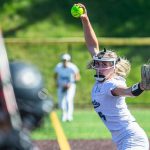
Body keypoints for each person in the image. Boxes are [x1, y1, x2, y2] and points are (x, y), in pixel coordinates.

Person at [76, 3, 149, 150]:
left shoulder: (111, 84)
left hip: (133, 139)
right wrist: (85, 19)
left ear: (114, 67)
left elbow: (127, 91)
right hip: (122, 140)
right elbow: (92, 45)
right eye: (99, 63)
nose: (101, 67)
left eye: (105, 65)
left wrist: (141, 86)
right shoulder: (103, 81)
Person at [54, 53, 80, 122]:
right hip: (61, 85)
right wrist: (57, 83)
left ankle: (69, 116)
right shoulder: (58, 66)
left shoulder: (72, 67)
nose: (65, 62)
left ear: (69, 61)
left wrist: (71, 83)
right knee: (61, 102)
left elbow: (77, 77)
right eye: (64, 60)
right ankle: (63, 115)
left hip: (70, 86)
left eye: (66, 60)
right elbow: (55, 75)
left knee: (69, 100)